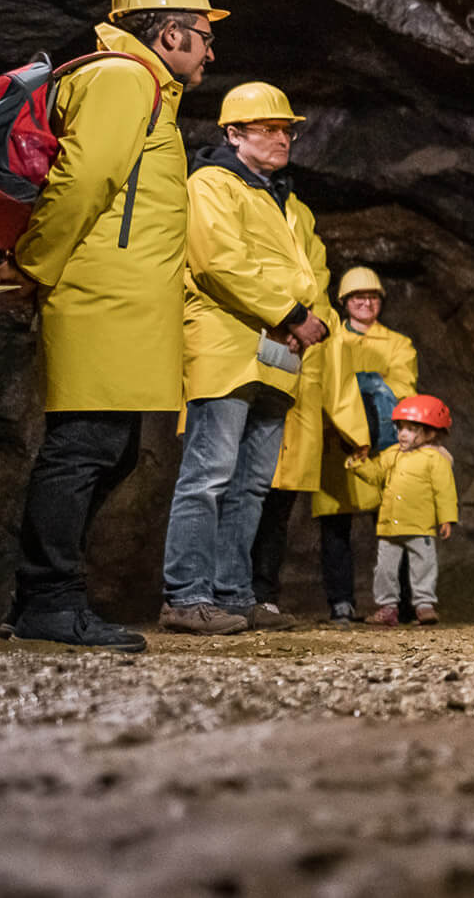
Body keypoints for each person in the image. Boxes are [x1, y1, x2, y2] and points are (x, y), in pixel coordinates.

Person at [0, 0, 223, 652]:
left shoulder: (141, 84)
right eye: (205, 37)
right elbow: (84, 179)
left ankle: (40, 596)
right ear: (172, 32)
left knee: (110, 450)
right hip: (102, 294)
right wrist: (31, 265)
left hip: (124, 296)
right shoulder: (124, 78)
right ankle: (49, 602)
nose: (211, 51)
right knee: (83, 447)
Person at [160, 81, 330, 635]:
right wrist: (295, 316)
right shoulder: (212, 184)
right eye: (270, 129)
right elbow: (218, 264)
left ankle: (234, 594)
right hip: (227, 346)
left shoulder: (285, 201)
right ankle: (187, 596)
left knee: (251, 484)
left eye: (288, 129)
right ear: (233, 134)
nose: (283, 138)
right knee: (208, 474)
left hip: (277, 353)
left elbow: (309, 273)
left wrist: (305, 324)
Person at [251, 156, 369, 630]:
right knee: (242, 493)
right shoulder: (222, 191)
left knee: (276, 505)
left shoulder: (326, 321)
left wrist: (353, 430)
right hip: (256, 371)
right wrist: (289, 320)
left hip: (297, 404)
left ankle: (261, 593)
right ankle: (223, 591)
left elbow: (337, 375)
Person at [307, 266, 419, 623]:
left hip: (383, 446)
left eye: (372, 296)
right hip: (337, 445)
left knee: (392, 525)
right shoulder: (328, 339)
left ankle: (400, 603)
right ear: (344, 303)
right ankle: (341, 602)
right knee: (335, 526)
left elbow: (404, 389)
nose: (365, 302)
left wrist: (360, 390)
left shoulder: (398, 344)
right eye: (358, 297)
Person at [348, 395, 459, 626]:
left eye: (411, 429)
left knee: (423, 565)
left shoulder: (435, 459)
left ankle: (424, 605)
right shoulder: (393, 454)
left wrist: (447, 518)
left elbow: (445, 491)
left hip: (421, 525)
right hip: (391, 524)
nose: (403, 434)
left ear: (430, 432)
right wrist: (360, 464)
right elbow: (377, 474)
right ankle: (387, 607)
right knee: (384, 569)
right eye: (401, 428)